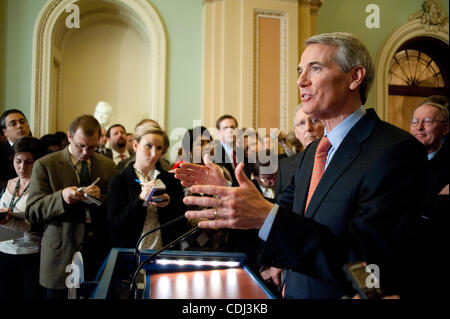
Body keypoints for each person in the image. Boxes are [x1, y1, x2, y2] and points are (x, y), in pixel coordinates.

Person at [177, 32, 428, 298]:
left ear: (355, 77)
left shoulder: (395, 150)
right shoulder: (313, 153)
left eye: (315, 69)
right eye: (300, 71)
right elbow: (279, 220)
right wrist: (232, 195)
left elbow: (368, 266)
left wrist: (266, 216)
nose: (301, 81)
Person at [25, 115, 116, 299]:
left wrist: (102, 197)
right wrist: (61, 197)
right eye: (80, 146)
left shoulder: (107, 165)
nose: (85, 152)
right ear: (69, 137)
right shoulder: (46, 165)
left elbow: (115, 208)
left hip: (97, 251)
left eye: (91, 147)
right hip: (60, 253)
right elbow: (32, 210)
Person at [107, 124, 187, 251]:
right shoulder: (119, 180)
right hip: (130, 254)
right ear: (135, 146)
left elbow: (182, 224)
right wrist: (140, 200)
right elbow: (115, 228)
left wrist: (169, 204)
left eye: (159, 148)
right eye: (148, 146)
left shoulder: (170, 180)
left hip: (163, 252)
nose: (154, 153)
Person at [0, 136, 43, 299]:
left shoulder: (41, 187)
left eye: (28, 162)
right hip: (4, 249)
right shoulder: (10, 183)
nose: (22, 167)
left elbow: (39, 225)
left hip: (29, 252)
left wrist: (11, 221)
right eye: (18, 161)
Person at [0, 109, 32, 189]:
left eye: (22, 122)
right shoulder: (1, 151)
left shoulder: (40, 148)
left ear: (28, 126)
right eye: (13, 124)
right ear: (5, 132)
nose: (19, 126)